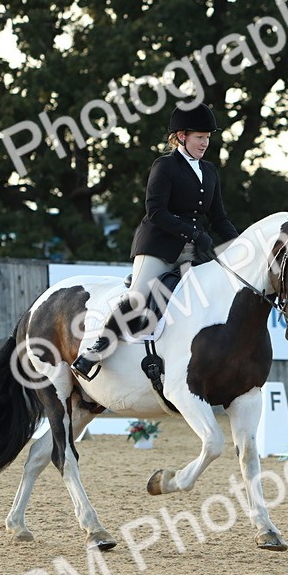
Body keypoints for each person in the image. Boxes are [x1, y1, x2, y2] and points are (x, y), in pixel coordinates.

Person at [71, 102, 240, 380]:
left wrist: (240, 245)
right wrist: (196, 234)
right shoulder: (165, 165)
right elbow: (156, 211)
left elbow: (219, 217)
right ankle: (97, 348)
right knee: (138, 296)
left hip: (193, 253)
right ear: (182, 137)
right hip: (159, 246)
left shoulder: (209, 171)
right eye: (200, 137)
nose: (205, 143)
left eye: (208, 138)